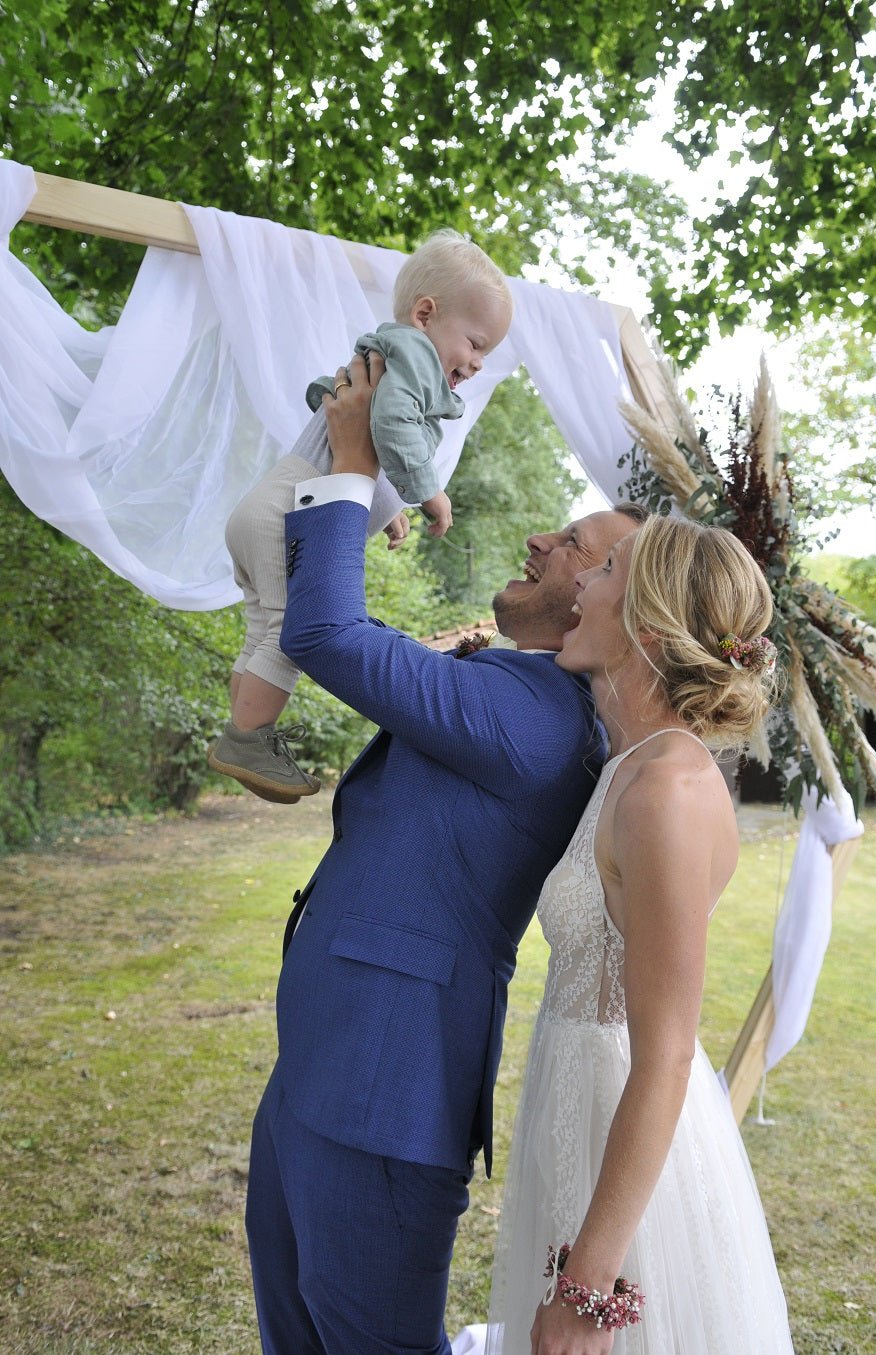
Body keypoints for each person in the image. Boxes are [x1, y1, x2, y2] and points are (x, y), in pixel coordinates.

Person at [242, 349, 646, 1355]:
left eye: (578, 546)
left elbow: (328, 629)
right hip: (325, 1066)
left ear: (615, 602)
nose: (541, 537)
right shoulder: (510, 687)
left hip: (386, 1093)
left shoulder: (538, 715)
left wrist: (348, 454)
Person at [486, 515, 794, 1354]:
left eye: (607, 568)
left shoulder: (667, 789)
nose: (579, 584)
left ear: (648, 624)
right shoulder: (628, 761)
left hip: (626, 1139)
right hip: (576, 1109)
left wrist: (586, 1289)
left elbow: (665, 1052)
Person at [208, 229, 513, 803]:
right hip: (288, 515)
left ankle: (247, 730)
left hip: (269, 503)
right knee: (288, 633)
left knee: (261, 627)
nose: (476, 364)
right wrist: (427, 492)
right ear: (425, 314)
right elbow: (393, 424)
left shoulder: (386, 354)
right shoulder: (415, 362)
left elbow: (357, 438)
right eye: (475, 344)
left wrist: (386, 505)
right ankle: (247, 738)